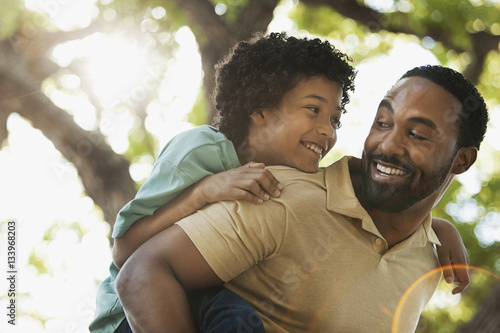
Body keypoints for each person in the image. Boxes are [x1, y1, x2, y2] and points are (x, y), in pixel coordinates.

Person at [89, 31, 468, 332]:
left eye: (334, 119)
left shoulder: (293, 181)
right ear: (260, 109)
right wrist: (201, 192)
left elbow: (365, 205)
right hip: (125, 316)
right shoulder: (200, 150)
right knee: (236, 316)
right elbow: (125, 255)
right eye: (313, 110)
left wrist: (439, 227)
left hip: (204, 293)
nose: (327, 130)